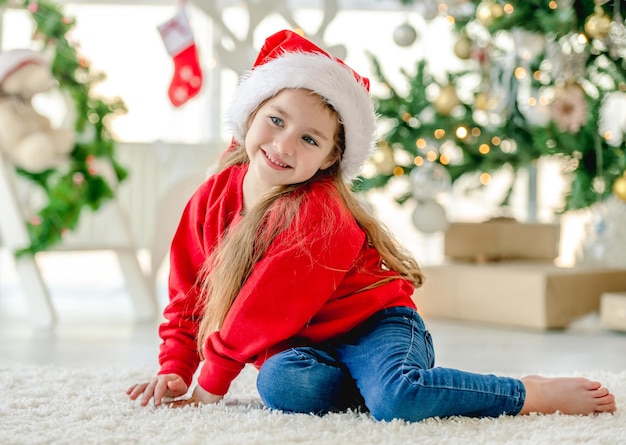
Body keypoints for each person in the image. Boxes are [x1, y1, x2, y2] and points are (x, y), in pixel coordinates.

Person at [127, 29, 617, 421]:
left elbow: (263, 306)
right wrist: (175, 369)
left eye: (310, 139)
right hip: (306, 344)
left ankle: (524, 393)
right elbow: (188, 292)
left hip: (375, 325)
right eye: (276, 121)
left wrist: (208, 387)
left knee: (399, 398)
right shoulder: (211, 198)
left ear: (331, 157)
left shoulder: (318, 212)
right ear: (251, 112)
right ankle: (371, 386)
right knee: (280, 384)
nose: (284, 146)